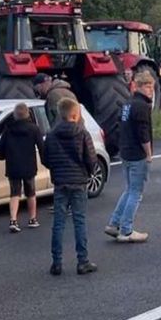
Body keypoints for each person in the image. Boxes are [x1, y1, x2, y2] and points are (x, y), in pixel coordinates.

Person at [41, 98, 97, 276]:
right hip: (79, 181)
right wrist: (88, 172)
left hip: (60, 182)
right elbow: (91, 158)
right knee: (79, 221)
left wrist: (56, 169)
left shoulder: (51, 134)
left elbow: (46, 158)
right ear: (75, 114)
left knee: (58, 223)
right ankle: (83, 261)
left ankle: (56, 262)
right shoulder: (82, 133)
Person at [105, 71, 154, 243]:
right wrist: (148, 153)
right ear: (138, 87)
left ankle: (114, 223)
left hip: (126, 151)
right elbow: (143, 133)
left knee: (128, 190)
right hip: (136, 154)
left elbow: (120, 127)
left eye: (151, 86)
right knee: (136, 192)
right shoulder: (142, 106)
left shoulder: (127, 104)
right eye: (147, 86)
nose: (150, 90)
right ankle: (126, 230)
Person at [0, 103, 44, 233]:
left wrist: (1, 156)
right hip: (29, 165)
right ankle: (32, 219)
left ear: (15, 115)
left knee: (14, 193)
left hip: (13, 165)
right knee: (31, 193)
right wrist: (46, 161)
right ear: (27, 113)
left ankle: (13, 220)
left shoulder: (8, 129)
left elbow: (2, 147)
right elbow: (41, 146)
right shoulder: (34, 129)